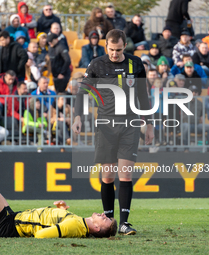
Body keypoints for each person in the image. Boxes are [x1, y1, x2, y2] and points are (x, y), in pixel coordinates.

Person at [72, 29, 154, 235]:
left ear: (124, 46)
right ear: (105, 46)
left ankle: (124, 223)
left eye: (118, 50)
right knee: (108, 176)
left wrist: (150, 123)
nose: (114, 54)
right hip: (106, 126)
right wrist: (78, 116)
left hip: (130, 124)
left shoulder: (136, 64)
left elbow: (143, 96)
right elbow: (83, 92)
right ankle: (108, 219)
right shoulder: (97, 64)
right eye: (111, 49)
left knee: (125, 175)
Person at [0, 177, 117, 237]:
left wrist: (56, 220)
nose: (103, 214)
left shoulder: (76, 226)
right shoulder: (77, 222)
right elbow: (55, 224)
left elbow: (42, 234)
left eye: (105, 218)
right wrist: (61, 211)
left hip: (8, 226)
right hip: (13, 218)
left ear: (98, 227)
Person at [182, 85, 209, 152]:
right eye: (192, 92)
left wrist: (202, 120)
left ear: (197, 93)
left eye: (195, 92)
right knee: (186, 127)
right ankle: (186, 148)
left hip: (197, 125)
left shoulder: (200, 103)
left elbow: (202, 115)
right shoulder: (183, 102)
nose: (194, 93)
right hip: (186, 123)